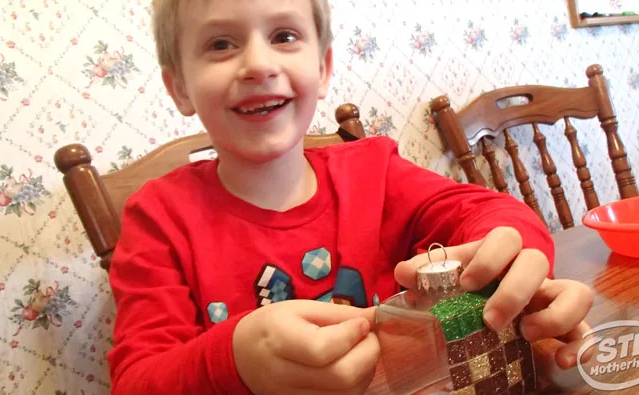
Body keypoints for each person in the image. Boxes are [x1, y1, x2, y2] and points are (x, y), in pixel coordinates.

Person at [106, 0, 594, 394]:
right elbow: (136, 381)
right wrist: (228, 360)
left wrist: (516, 250)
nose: (258, 64)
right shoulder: (158, 218)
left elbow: (487, 212)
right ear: (179, 88)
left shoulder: (374, 171)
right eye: (219, 43)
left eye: (283, 35)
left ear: (322, 69)